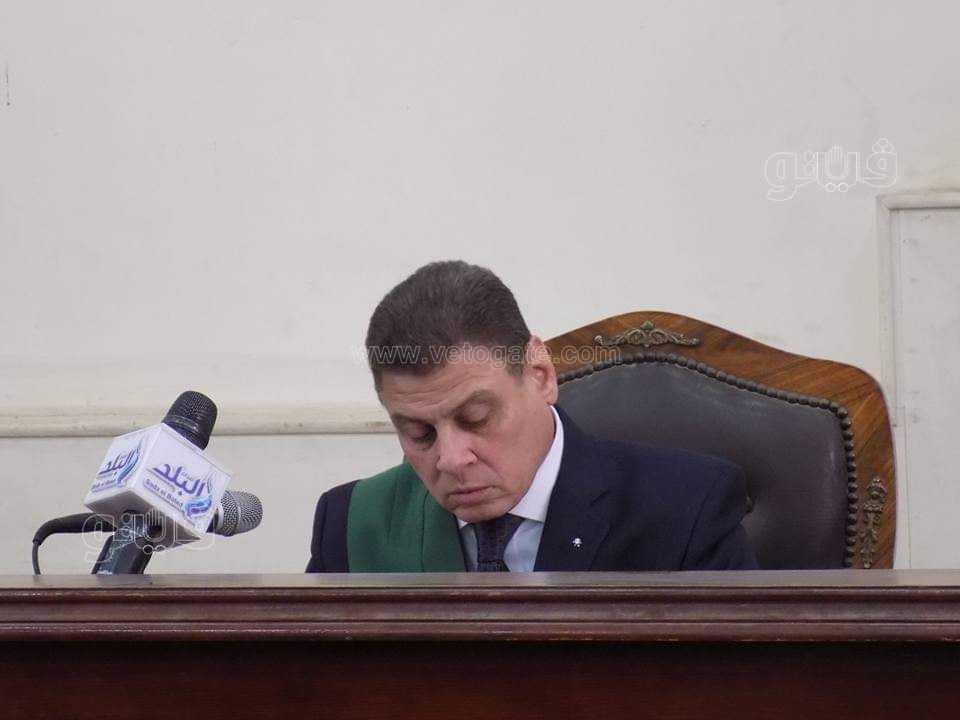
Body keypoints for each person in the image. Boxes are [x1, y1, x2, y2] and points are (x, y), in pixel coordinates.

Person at [306, 260, 757, 572]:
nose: (452, 459)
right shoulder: (352, 524)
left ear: (540, 375)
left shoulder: (687, 510)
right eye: (420, 433)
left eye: (476, 418)